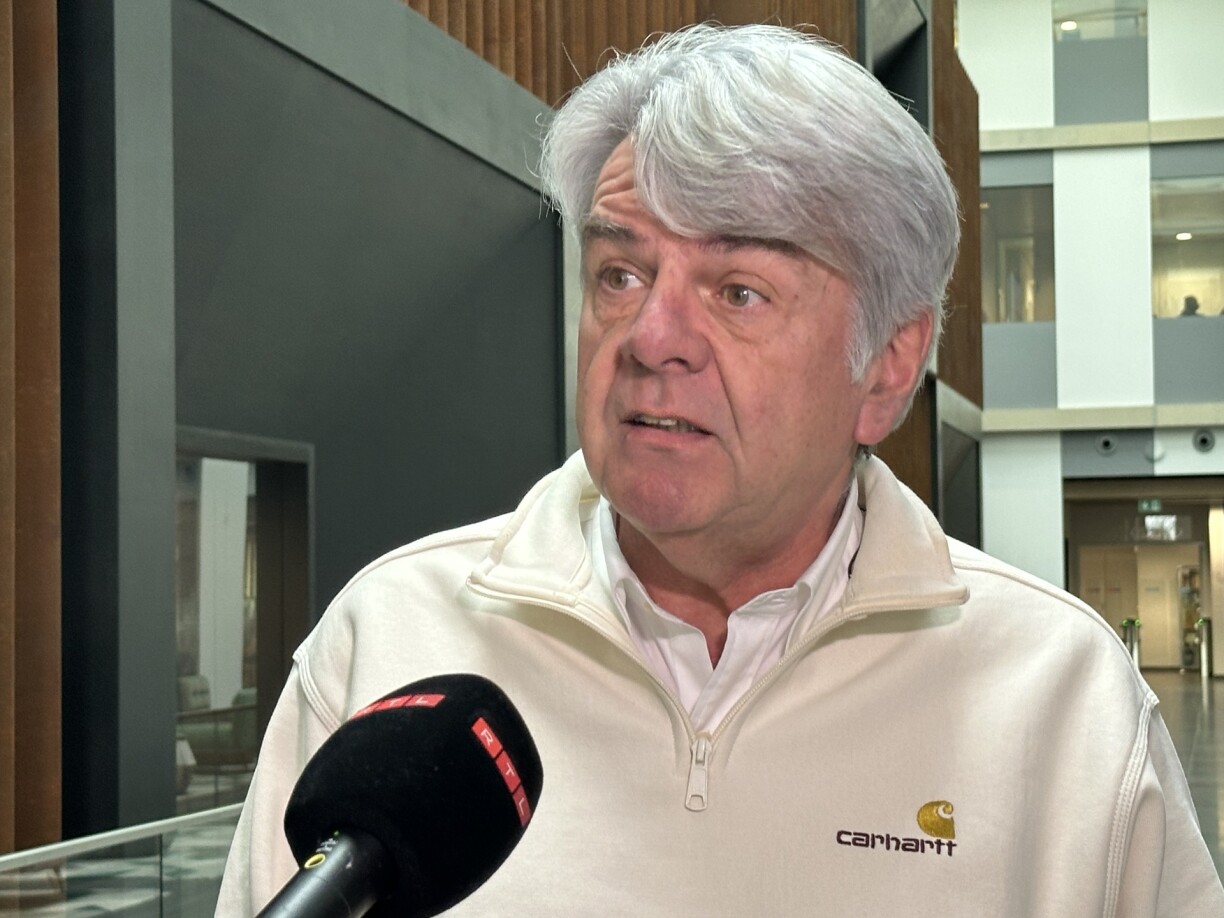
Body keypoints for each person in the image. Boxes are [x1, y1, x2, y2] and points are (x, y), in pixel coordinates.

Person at [217, 24, 1224, 915]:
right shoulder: (387, 644)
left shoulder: (1063, 703)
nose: (651, 337)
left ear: (887, 365)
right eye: (620, 274)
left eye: (738, 290)